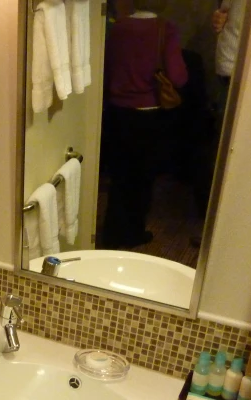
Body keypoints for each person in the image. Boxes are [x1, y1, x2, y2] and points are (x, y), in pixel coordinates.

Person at [99, 0, 188, 249]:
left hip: (116, 112)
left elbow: (106, 67)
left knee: (119, 178)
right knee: (142, 180)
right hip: (148, 115)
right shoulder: (165, 28)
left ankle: (112, 234)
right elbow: (178, 76)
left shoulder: (118, 27)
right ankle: (133, 233)